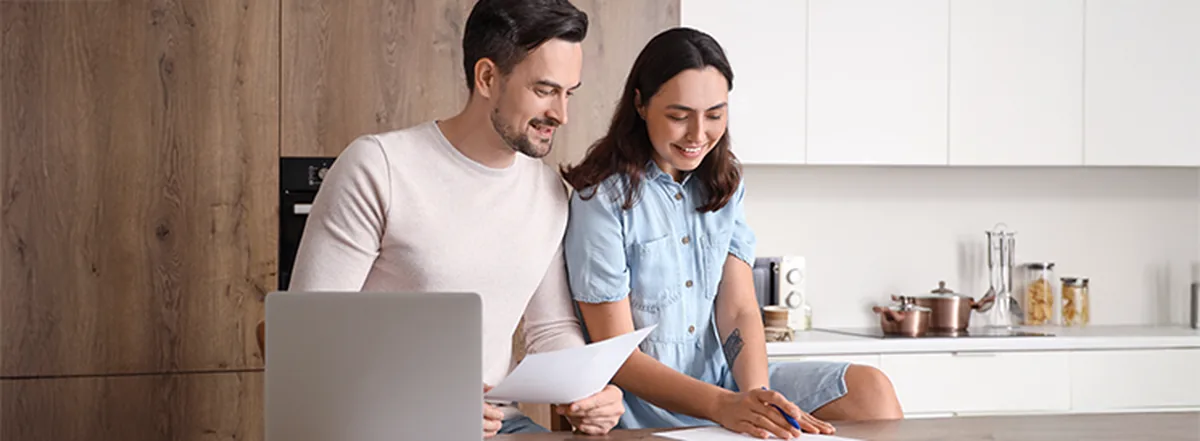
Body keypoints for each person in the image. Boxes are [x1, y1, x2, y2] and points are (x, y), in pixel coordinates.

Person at [287, 0, 625, 436]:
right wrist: (429, 401)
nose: (561, 114)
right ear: (487, 77)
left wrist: (589, 388)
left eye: (568, 92)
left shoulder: (549, 193)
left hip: (498, 424)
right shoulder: (379, 168)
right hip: (385, 423)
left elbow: (552, 327)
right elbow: (308, 339)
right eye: (545, 90)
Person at [560, 27, 905, 439]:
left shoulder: (724, 183)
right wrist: (724, 408)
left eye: (715, 115)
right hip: (648, 406)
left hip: (728, 386)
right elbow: (615, 355)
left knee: (872, 392)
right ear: (640, 103)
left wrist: (758, 399)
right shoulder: (600, 199)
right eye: (678, 116)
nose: (698, 134)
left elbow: (739, 310)